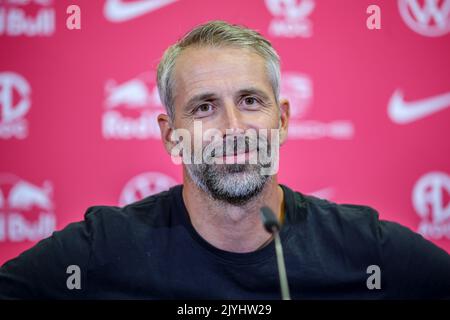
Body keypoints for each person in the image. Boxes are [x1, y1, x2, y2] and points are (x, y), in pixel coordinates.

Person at [1, 20, 449, 300]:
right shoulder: (103, 250)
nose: (234, 128)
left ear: (284, 120)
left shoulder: (364, 250)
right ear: (170, 136)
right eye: (203, 107)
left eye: (251, 101)